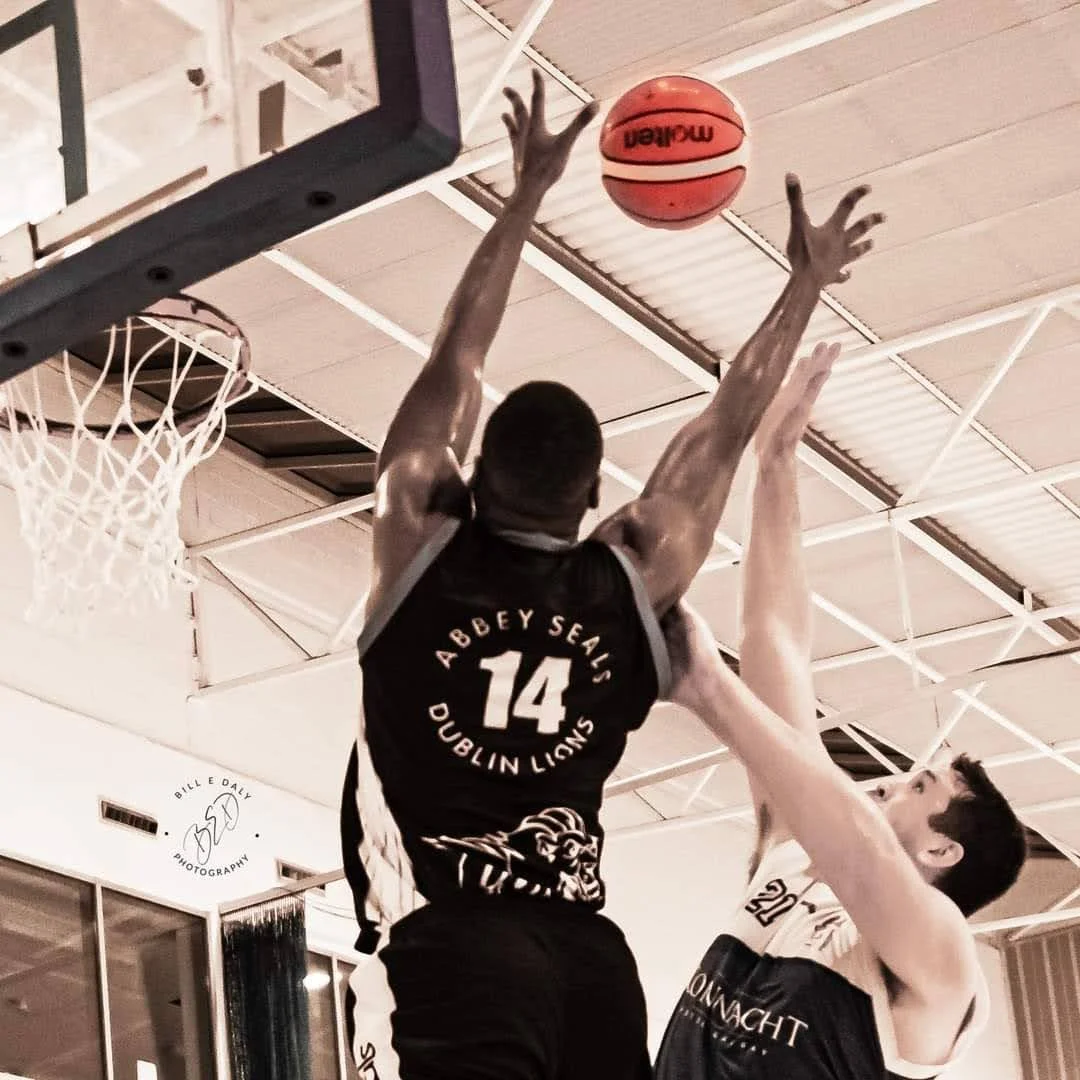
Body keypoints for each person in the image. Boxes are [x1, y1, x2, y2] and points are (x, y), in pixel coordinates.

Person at [340, 70, 883, 1080]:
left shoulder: (416, 533)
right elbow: (725, 427)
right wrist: (803, 284)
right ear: (598, 494)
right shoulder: (640, 571)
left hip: (452, 940)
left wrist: (524, 196)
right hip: (586, 956)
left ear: (471, 469)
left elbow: (454, 358)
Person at [654, 344, 1028, 1080]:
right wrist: (776, 460)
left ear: (942, 852)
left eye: (919, 789)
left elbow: (863, 853)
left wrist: (706, 688)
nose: (888, 782)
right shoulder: (797, 856)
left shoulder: (943, 965)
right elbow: (776, 644)